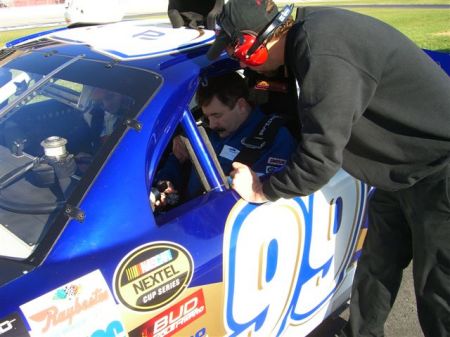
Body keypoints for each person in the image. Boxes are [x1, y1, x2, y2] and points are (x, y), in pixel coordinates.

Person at [207, 1, 450, 336]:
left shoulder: (322, 51)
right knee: (376, 266)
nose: (241, 64)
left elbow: (318, 160)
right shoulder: (310, 31)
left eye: (237, 53)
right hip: (400, 171)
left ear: (252, 47)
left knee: (437, 292)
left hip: (440, 170)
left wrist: (262, 189)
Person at [153, 71, 296, 210]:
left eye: (217, 115)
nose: (212, 123)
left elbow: (269, 194)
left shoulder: (274, 138)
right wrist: (166, 182)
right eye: (208, 116)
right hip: (184, 215)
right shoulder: (206, 130)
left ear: (241, 105)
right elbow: (178, 166)